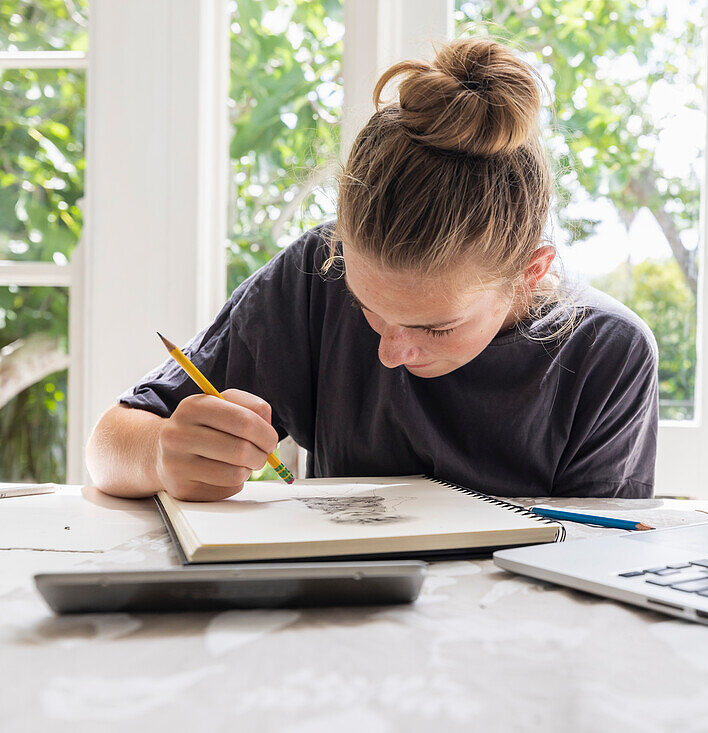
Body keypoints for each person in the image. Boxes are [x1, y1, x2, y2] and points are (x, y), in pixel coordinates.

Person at [86, 38, 658, 502]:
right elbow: (108, 446)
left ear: (531, 273)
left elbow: (592, 566)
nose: (388, 355)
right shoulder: (316, 276)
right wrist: (164, 451)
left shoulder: (607, 355)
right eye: (369, 311)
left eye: (434, 328)